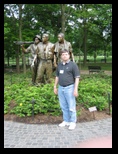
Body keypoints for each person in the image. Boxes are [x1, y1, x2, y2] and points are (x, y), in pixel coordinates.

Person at [53, 49, 80, 130]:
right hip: (61, 88)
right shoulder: (59, 65)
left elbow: (77, 78)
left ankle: (72, 122)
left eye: (66, 54)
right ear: (61, 56)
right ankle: (66, 120)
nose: (64, 56)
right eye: (63, 54)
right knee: (63, 106)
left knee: (71, 106)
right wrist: (55, 86)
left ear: (69, 55)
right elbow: (57, 76)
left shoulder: (73, 65)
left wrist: (75, 89)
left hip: (70, 88)